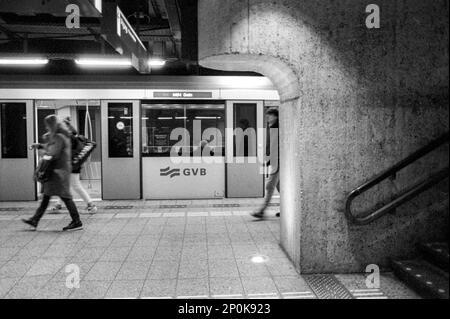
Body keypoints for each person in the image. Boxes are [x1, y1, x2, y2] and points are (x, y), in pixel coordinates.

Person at [22, 115, 83, 231]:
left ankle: (77, 221)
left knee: (65, 197)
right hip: (56, 171)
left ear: (51, 125)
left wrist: (41, 152)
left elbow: (53, 153)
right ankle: (35, 219)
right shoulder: (58, 136)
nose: (46, 127)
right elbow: (52, 148)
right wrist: (41, 145)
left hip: (58, 172)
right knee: (47, 196)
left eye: (47, 125)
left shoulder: (59, 137)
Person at [51, 117, 98, 214]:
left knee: (75, 186)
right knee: (66, 185)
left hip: (71, 165)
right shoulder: (72, 136)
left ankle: (91, 204)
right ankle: (58, 204)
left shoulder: (69, 137)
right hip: (73, 164)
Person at [252, 108, 280, 219]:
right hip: (275, 161)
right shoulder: (271, 127)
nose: (267, 118)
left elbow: (276, 146)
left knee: (269, 186)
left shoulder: (277, 128)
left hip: (278, 161)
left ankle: (262, 211)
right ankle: (286, 209)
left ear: (276, 117)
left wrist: (269, 159)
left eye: (269, 116)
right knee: (280, 187)